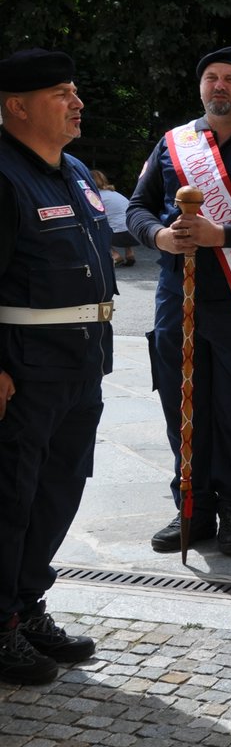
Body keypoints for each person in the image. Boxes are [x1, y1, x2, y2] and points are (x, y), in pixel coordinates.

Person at [127, 46, 231, 557]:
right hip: (175, 297)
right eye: (211, 78)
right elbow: (137, 208)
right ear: (201, 88)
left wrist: (221, 235)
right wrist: (160, 237)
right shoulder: (173, 144)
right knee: (181, 408)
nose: (219, 86)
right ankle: (192, 510)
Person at [0, 49, 112, 685]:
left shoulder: (72, 171)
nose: (77, 103)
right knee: (9, 498)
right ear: (17, 106)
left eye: (75, 91)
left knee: (56, 493)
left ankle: (25, 603)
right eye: (61, 94)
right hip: (23, 366)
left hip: (81, 363)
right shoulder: (2, 174)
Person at [92, 170, 136, 266]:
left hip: (119, 235)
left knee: (94, 228)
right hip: (134, 233)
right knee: (122, 220)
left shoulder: (95, 197)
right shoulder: (116, 194)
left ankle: (114, 255)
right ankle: (130, 253)